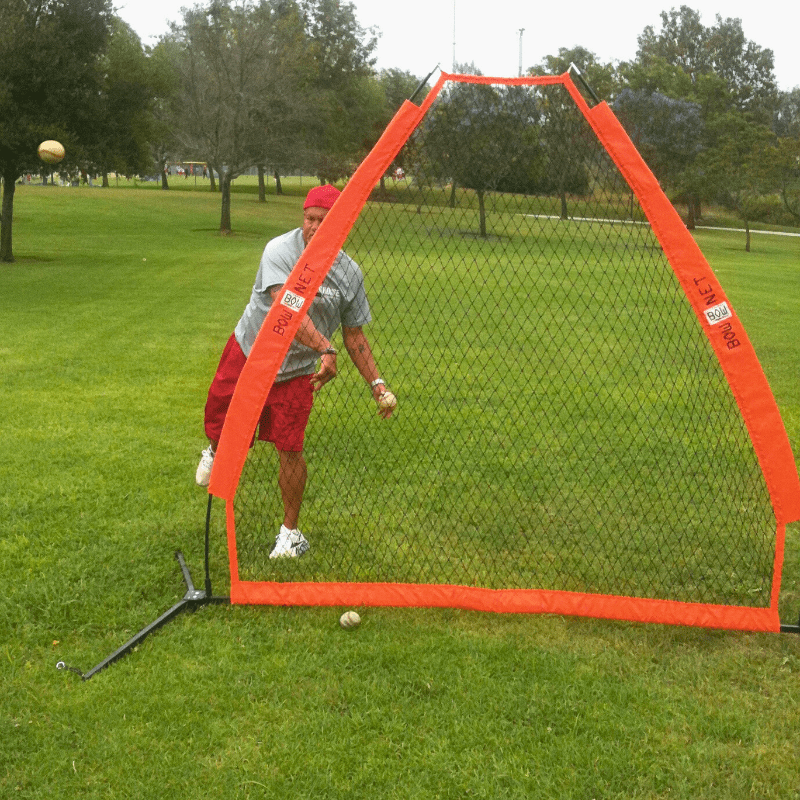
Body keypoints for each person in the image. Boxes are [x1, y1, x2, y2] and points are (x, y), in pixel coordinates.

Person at [195, 184, 396, 559]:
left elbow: (355, 337)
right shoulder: (280, 251)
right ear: (302, 217)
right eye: (310, 219)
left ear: (340, 226)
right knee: (225, 427)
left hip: (295, 371)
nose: (315, 227)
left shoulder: (350, 274)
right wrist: (324, 347)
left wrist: (377, 384)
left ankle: (291, 534)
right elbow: (286, 309)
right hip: (251, 354)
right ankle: (216, 447)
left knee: (291, 448)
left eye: (324, 221)